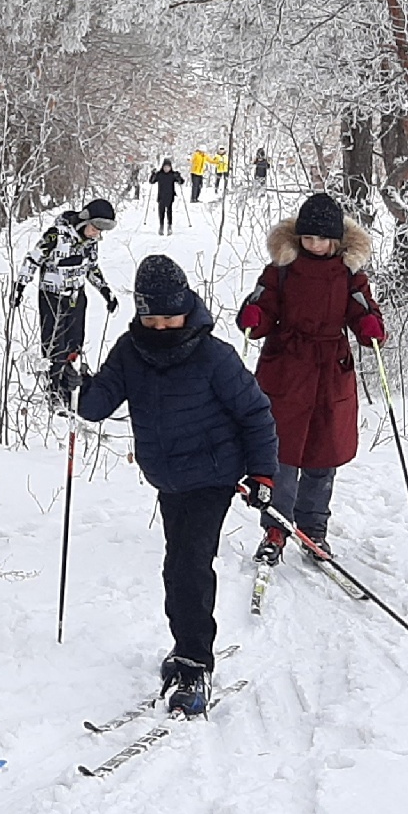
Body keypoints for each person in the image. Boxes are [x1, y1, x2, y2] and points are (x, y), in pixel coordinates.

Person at [78, 255, 277, 716]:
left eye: (171, 316)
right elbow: (96, 405)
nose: (163, 327)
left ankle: (193, 661)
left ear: (187, 307)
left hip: (213, 475)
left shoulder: (214, 356)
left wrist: (263, 474)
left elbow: (256, 415)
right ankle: (186, 645)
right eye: (152, 317)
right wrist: (73, 383)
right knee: (179, 565)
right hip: (169, 478)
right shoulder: (130, 352)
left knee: (187, 566)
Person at [235, 193, 384, 565]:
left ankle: (314, 529)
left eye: (321, 238)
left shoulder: (350, 275)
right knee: (281, 455)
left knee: (323, 456)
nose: (314, 245)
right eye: (308, 238)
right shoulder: (281, 270)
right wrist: (254, 317)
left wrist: (370, 328)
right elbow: (262, 306)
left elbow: (366, 312)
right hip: (286, 367)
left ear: (335, 239)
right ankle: (276, 528)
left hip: (330, 372)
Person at [12, 198, 118, 408]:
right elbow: (33, 260)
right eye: (95, 228)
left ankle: (71, 386)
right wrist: (20, 287)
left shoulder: (90, 243)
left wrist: (105, 291)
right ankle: (53, 389)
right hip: (52, 298)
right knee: (54, 344)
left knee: (75, 342)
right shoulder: (56, 235)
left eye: (100, 231)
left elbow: (91, 268)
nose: (97, 234)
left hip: (77, 297)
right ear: (84, 220)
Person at [149, 157, 184, 234]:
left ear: (170, 167)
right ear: (162, 167)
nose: (166, 169)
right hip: (161, 196)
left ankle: (169, 226)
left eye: (168, 167)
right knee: (161, 211)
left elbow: (181, 182)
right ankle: (161, 226)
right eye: (165, 167)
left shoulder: (172, 175)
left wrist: (179, 176)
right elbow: (151, 181)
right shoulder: (159, 174)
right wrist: (153, 174)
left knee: (169, 211)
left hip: (170, 196)